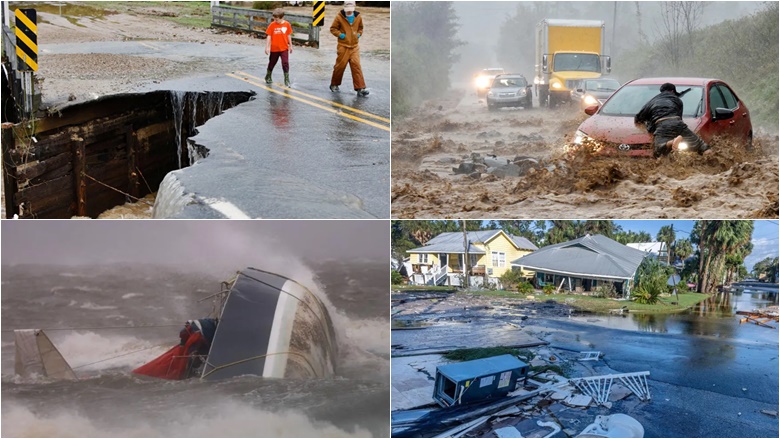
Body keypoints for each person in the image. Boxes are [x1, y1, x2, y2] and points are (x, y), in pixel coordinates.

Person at [634, 82, 710, 158]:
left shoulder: (651, 102)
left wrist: (648, 129)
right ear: (673, 91)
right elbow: (680, 118)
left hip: (662, 124)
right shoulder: (677, 100)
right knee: (702, 145)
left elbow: (638, 119)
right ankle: (712, 161)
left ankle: (671, 142)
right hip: (677, 123)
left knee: (658, 150)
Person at [329, 1, 368, 96]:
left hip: (354, 46)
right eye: (348, 10)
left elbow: (361, 28)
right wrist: (341, 35)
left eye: (351, 10)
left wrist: (359, 34)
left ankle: (360, 88)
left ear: (354, 7)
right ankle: (334, 84)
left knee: (356, 66)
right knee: (340, 66)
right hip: (343, 46)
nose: (349, 12)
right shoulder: (339, 17)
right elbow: (333, 29)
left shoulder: (358, 17)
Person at [265, 8, 293, 87]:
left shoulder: (287, 24)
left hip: (284, 48)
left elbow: (288, 35)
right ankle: (268, 75)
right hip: (274, 49)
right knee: (272, 63)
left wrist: (290, 45)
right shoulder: (272, 25)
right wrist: (267, 47)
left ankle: (286, 79)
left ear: (282, 17)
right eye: (274, 19)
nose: (275, 21)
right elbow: (269, 36)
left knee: (285, 63)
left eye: (277, 19)